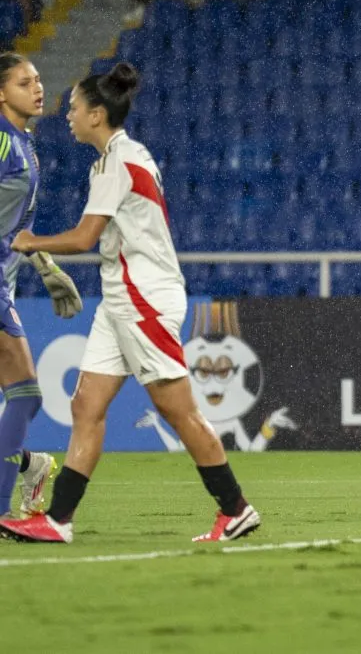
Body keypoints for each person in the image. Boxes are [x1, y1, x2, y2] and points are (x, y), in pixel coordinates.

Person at [0, 62, 260, 543]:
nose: (68, 114)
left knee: (177, 411)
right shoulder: (113, 158)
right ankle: (58, 519)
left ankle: (236, 508)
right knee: (86, 406)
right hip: (121, 297)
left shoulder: (119, 162)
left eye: (75, 107)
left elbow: (84, 237)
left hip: (145, 299)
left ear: (97, 115)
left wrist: (31, 242)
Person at [0, 53, 78, 522]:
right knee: (25, 394)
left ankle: (29, 467)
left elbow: (14, 226)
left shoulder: (23, 144)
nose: (38, 86)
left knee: (24, 395)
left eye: (39, 79)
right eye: (25, 81)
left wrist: (43, 262)